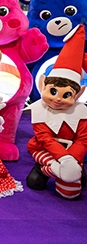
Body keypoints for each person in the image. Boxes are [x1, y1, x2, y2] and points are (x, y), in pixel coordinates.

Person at [26, 24, 87, 199]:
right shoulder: (39, 109)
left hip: (73, 151)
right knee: (35, 182)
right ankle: (47, 168)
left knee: (71, 193)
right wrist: (64, 161)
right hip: (44, 150)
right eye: (53, 91)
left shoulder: (81, 111)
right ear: (43, 85)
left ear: (78, 94)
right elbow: (44, 139)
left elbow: (83, 139)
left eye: (66, 95)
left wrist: (72, 158)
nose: (58, 99)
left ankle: (59, 170)